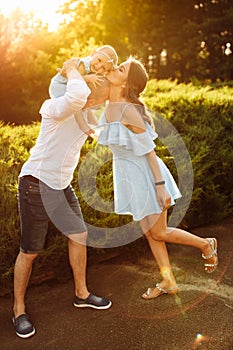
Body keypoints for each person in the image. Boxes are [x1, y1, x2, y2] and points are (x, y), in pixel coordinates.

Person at [97, 57, 218, 300]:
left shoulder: (128, 110)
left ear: (127, 82)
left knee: (159, 232)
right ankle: (168, 281)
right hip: (129, 175)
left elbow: (150, 152)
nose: (114, 68)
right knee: (150, 232)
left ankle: (206, 244)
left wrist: (160, 187)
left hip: (147, 175)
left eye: (121, 69)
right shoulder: (110, 104)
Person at [13, 59, 112, 339]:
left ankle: (81, 293)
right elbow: (78, 94)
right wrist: (72, 68)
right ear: (87, 93)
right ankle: (18, 309)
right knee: (30, 251)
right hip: (36, 183)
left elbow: (103, 130)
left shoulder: (86, 114)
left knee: (79, 234)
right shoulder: (57, 106)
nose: (98, 103)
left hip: (61, 185)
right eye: (98, 99)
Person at [49, 45, 118, 136]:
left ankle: (93, 123)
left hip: (68, 86)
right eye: (99, 60)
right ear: (93, 53)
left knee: (86, 99)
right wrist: (88, 78)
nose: (99, 66)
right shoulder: (83, 65)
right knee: (78, 101)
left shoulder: (93, 67)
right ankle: (82, 124)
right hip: (60, 86)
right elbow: (76, 82)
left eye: (103, 68)